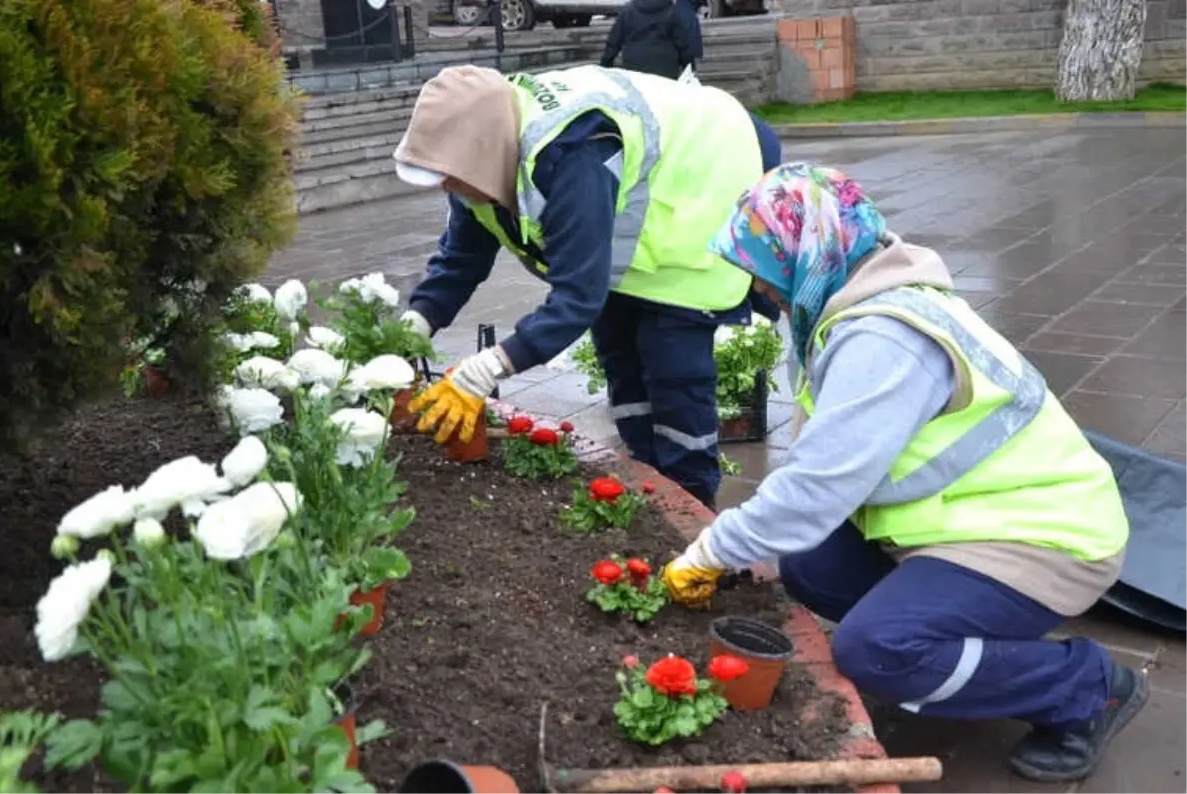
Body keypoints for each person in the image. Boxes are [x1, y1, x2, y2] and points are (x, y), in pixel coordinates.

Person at [660, 163, 1146, 782]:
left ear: (808, 253)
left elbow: (816, 488)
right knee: (809, 559)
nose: (761, 291)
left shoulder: (884, 337)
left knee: (873, 650)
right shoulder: (870, 299)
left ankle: (1084, 688)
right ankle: (938, 640)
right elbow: (825, 475)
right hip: (976, 517)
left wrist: (710, 551)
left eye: (765, 271)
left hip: (1046, 540)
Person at [393, 64, 782, 509]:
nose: (446, 186)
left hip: (700, 195)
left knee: (675, 373)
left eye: (449, 176)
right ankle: (652, 488)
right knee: (622, 361)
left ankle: (693, 509)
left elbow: (577, 297)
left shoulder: (573, 155)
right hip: (636, 231)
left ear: (481, 149)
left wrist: (488, 368)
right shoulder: (476, 166)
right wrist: (415, 325)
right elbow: (462, 258)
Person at [599, 0, 694, 80]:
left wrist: (605, 64)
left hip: (635, 66)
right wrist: (690, 67)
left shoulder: (629, 10)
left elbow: (614, 41)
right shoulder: (672, 11)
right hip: (665, 67)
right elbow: (682, 43)